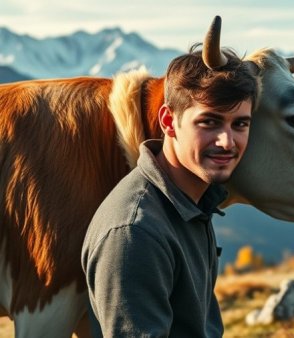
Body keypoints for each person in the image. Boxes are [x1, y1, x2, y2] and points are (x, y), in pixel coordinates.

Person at [81, 44, 259, 337]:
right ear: (168, 122)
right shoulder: (135, 232)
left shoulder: (190, 201)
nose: (228, 141)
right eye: (209, 122)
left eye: (240, 124)